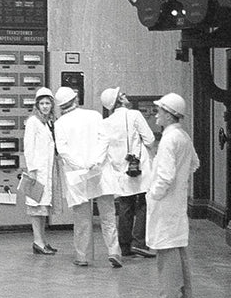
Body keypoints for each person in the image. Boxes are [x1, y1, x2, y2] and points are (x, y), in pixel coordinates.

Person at [53, 86, 123, 268]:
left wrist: (81, 165)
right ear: (76, 99)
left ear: (60, 106)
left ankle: (82, 256)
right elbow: (104, 139)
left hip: (78, 176)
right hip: (100, 171)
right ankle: (114, 251)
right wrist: (95, 161)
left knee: (82, 220)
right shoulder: (94, 115)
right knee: (108, 216)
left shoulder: (60, 124)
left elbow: (63, 150)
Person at [145, 93, 200, 298]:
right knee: (177, 247)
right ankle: (184, 293)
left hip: (166, 201)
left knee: (166, 248)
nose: (156, 114)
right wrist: (181, 180)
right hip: (177, 200)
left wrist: (154, 194)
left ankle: (170, 296)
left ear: (169, 115)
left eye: (159, 111)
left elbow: (165, 176)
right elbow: (194, 163)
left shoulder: (169, 139)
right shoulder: (183, 136)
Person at [100, 87, 157, 258]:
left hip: (120, 169)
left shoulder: (106, 123)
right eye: (122, 95)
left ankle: (124, 246)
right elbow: (150, 140)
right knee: (144, 203)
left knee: (125, 205)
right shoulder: (134, 115)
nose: (125, 96)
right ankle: (139, 242)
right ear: (119, 100)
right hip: (139, 166)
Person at [23, 87, 57, 255]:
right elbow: (28, 147)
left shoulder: (47, 122)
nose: (45, 106)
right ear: (37, 105)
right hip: (37, 172)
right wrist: (32, 170)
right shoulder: (32, 122)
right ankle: (37, 241)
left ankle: (42, 241)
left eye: (47, 103)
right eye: (42, 103)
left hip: (46, 171)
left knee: (43, 208)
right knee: (36, 208)